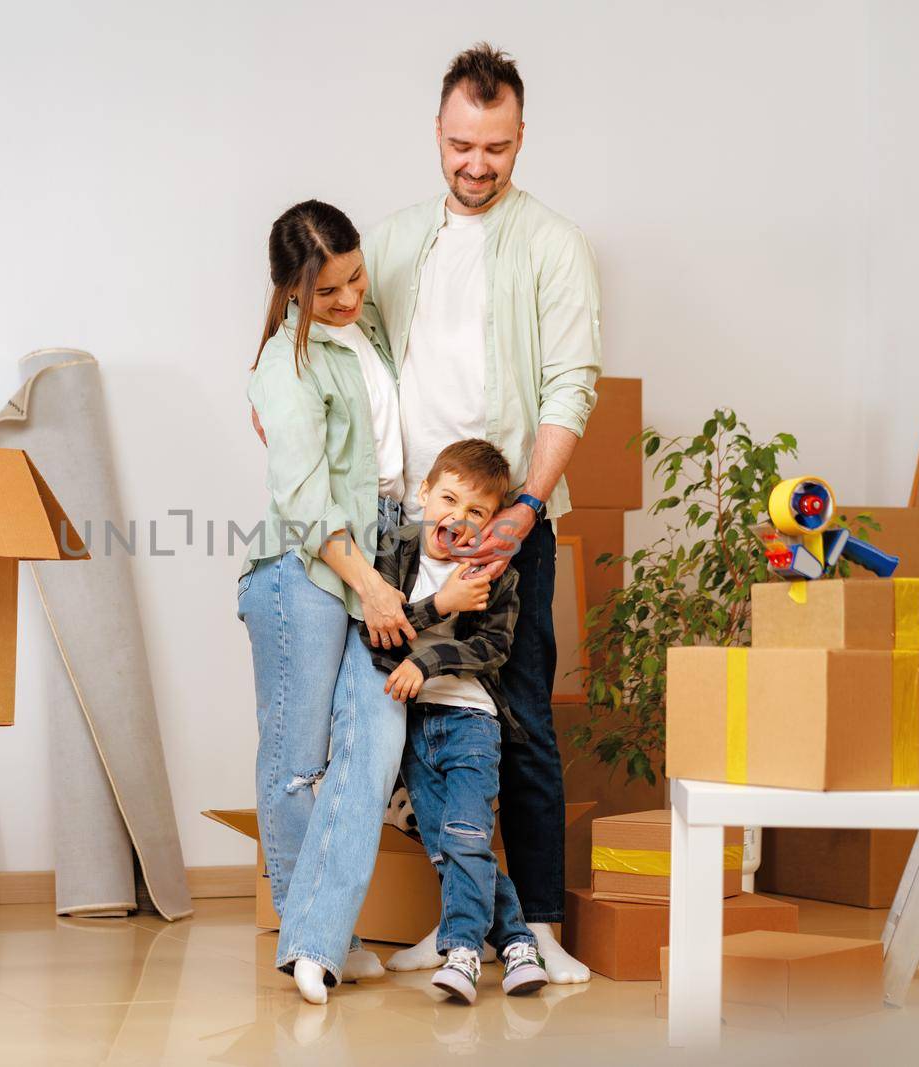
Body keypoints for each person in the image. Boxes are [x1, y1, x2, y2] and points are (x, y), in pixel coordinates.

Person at [364, 43, 603, 983]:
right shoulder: (391, 243)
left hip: (512, 525)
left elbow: (570, 385)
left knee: (519, 717)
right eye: (462, 144)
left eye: (496, 148)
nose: (477, 164)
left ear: (519, 139)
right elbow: (345, 347)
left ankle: (537, 924)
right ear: (438, 132)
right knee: (424, 715)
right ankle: (462, 921)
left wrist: (528, 508)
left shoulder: (552, 244)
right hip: (415, 530)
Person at [239, 199, 410, 1004]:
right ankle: (316, 933)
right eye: (328, 291)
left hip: (379, 549)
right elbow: (307, 508)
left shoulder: (366, 328)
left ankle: (317, 930)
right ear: (292, 290)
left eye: (355, 277)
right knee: (296, 763)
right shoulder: (284, 365)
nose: (348, 299)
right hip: (304, 568)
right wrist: (373, 584)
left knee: (373, 748)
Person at [364, 439, 552, 1004]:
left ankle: (464, 952)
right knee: (448, 847)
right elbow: (377, 639)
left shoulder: (494, 573)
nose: (458, 518)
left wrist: (428, 659)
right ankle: (517, 942)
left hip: (471, 720)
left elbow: (493, 648)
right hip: (413, 729)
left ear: (494, 521)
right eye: (448, 499)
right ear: (424, 493)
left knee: (469, 835)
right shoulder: (394, 554)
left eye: (477, 512)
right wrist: (440, 605)